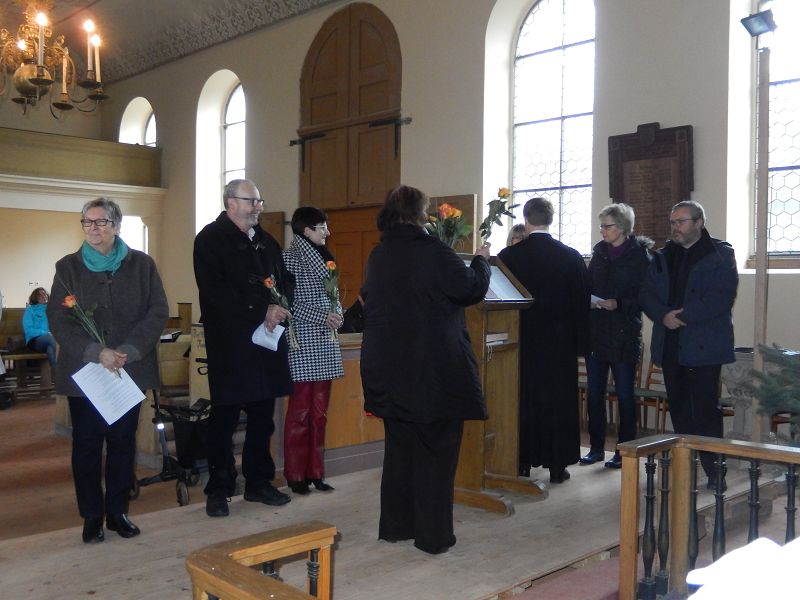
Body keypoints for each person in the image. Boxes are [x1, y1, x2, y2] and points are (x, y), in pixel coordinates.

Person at [360, 184, 491, 555]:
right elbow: (468, 289)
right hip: (433, 371)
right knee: (437, 452)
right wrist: (481, 261)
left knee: (400, 451)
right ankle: (433, 536)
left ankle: (396, 527)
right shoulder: (433, 250)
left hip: (390, 369)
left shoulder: (379, 254)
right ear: (420, 214)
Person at [47, 198, 168, 544]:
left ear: (116, 226)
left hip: (129, 369)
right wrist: (95, 352)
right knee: (86, 445)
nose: (93, 228)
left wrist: (129, 350)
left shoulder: (142, 265)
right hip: (86, 372)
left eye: (101, 222)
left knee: (122, 443)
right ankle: (91, 516)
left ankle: (117, 512)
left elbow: (158, 311)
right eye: (87, 222)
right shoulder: (67, 268)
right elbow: (59, 319)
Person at [193, 178, 294, 517]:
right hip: (231, 346)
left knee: (263, 418)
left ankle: (258, 483)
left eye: (259, 201)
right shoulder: (210, 240)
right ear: (230, 202)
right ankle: (219, 488)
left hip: (266, 343)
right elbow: (215, 292)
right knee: (224, 419)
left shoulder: (267, 241)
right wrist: (261, 309)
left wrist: (281, 306)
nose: (258, 207)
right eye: (251, 201)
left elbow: (284, 281)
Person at [639, 200, 738, 490]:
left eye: (681, 221)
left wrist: (681, 316)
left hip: (704, 345)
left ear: (699, 223)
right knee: (680, 409)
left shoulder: (720, 254)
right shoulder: (663, 256)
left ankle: (715, 472)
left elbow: (721, 297)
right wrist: (662, 315)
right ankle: (684, 468)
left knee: (706, 411)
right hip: (671, 344)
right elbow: (646, 293)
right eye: (673, 222)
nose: (675, 227)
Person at [498, 197, 590, 484]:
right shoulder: (570, 256)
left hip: (521, 342)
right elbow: (581, 304)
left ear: (526, 219)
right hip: (559, 345)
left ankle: (522, 462)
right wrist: (580, 345)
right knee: (558, 403)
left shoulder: (509, 256)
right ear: (551, 219)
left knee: (524, 401)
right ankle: (557, 466)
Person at [579, 203, 652, 469]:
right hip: (597, 331)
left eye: (606, 226)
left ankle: (624, 451)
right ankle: (596, 448)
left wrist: (618, 304)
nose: (602, 231)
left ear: (622, 227)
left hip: (623, 334)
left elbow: (645, 297)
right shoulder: (599, 253)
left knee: (624, 395)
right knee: (594, 393)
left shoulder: (640, 257)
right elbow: (587, 284)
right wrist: (587, 299)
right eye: (601, 226)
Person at [282, 207, 344, 495]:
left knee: (320, 414)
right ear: (306, 230)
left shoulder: (325, 257)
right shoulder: (288, 259)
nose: (327, 232)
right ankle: (295, 475)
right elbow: (287, 303)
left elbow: (333, 296)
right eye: (322, 227)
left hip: (326, 343)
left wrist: (339, 313)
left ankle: (316, 473)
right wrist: (323, 316)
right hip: (304, 344)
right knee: (300, 413)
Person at [23, 287, 57, 366]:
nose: (43, 296)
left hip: (50, 339)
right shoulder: (30, 310)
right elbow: (28, 330)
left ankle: (56, 372)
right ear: (35, 297)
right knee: (50, 339)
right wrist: (44, 332)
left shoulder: (50, 309)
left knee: (50, 350)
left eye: (44, 294)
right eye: (40, 295)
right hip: (34, 340)